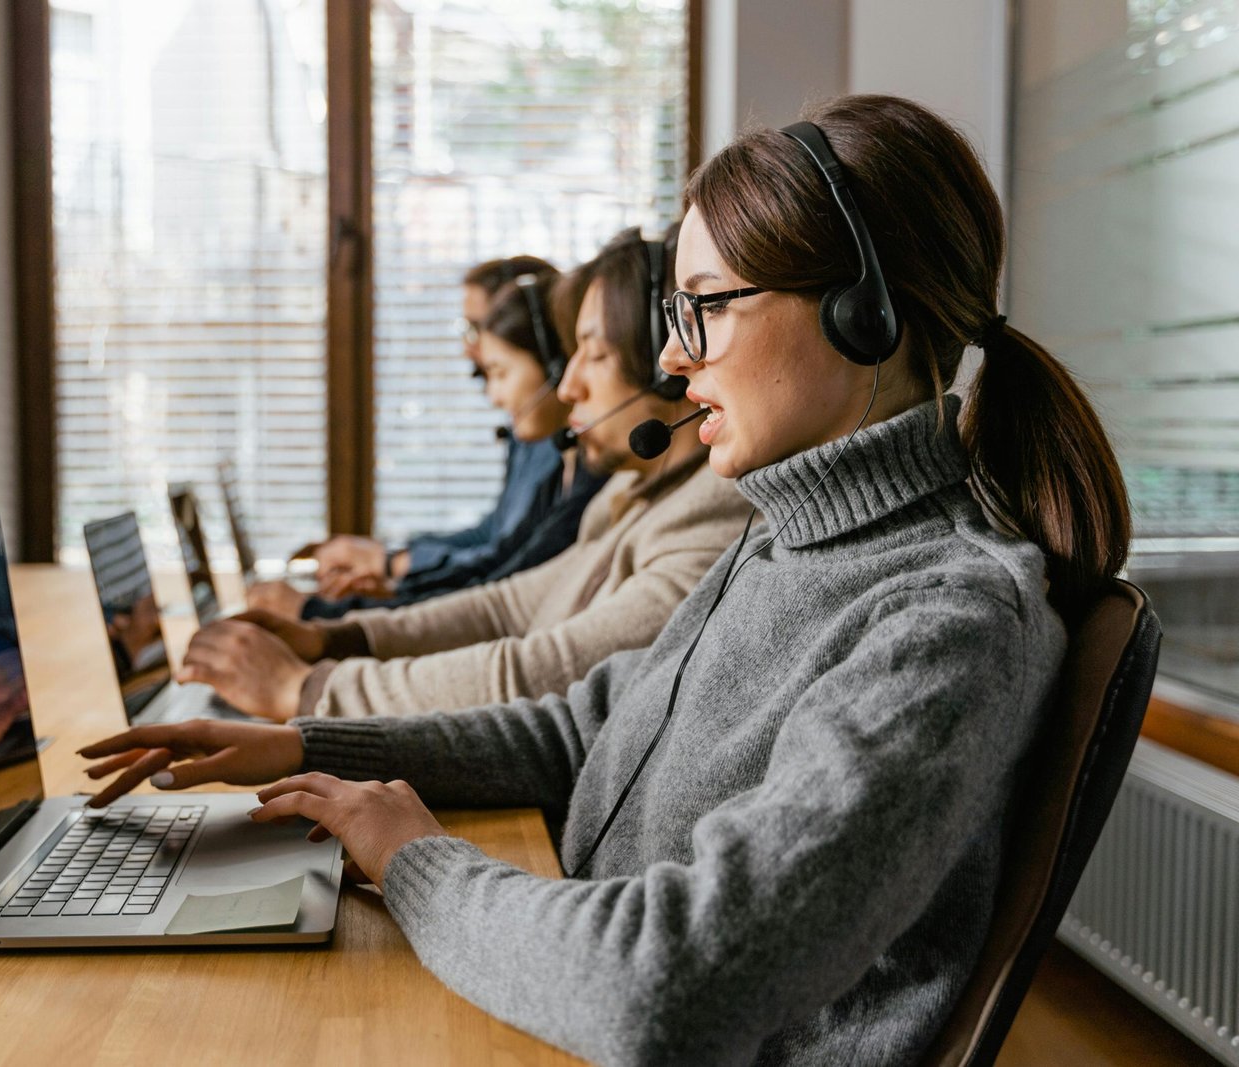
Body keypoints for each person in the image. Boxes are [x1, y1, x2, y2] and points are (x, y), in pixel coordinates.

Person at [78, 95, 1131, 1065]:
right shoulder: (784, 540)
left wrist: (417, 863)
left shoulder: (946, 620)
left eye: (706, 306)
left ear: (865, 312)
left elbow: (670, 983)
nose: (673, 363)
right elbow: (586, 728)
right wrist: (315, 746)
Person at [173, 228, 752, 722]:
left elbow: (539, 669)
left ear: (667, 371)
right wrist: (335, 637)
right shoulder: (633, 491)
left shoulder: (708, 515)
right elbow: (503, 608)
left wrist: (304, 689)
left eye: (593, 355)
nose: (569, 385)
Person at [266, 269, 609, 621]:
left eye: (499, 369)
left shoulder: (579, 466)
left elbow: (502, 590)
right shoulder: (560, 461)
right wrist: (392, 585)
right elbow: (500, 561)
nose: (468, 347)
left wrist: (338, 611)